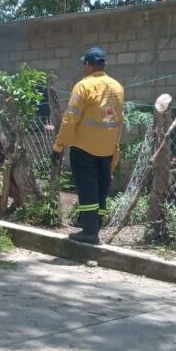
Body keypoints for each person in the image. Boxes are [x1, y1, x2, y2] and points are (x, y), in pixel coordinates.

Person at [52, 47, 124, 245]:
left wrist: (59, 146)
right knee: (101, 188)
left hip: (84, 148)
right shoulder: (117, 87)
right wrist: (115, 151)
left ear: (88, 65)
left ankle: (89, 232)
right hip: (107, 149)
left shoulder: (83, 86)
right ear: (104, 65)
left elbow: (70, 119)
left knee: (87, 188)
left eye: (84, 64)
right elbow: (119, 119)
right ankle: (95, 225)